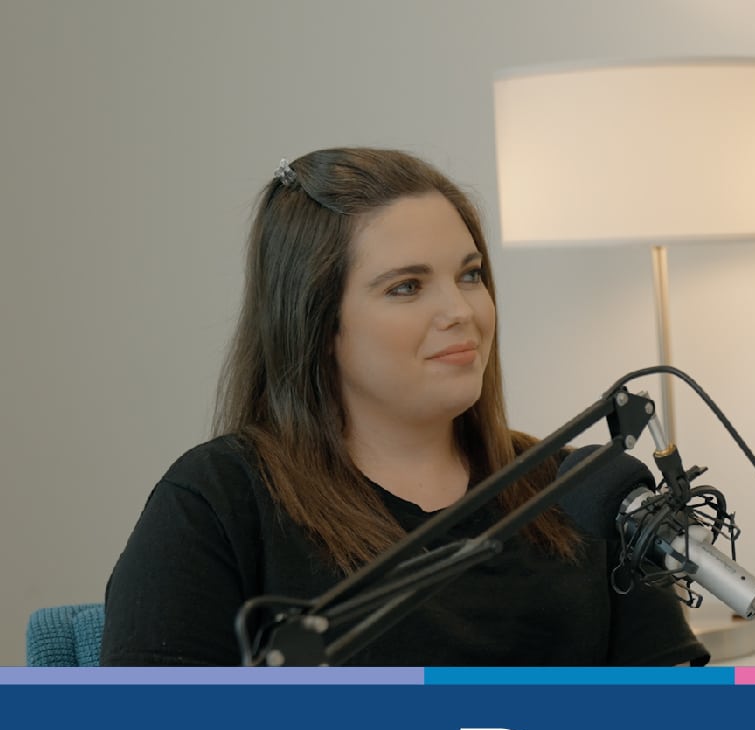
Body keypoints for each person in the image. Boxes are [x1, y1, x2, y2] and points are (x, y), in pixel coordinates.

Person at [102, 147, 707, 667]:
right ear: (316, 322)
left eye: (470, 275)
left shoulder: (585, 492)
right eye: (407, 287)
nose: (461, 312)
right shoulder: (216, 503)